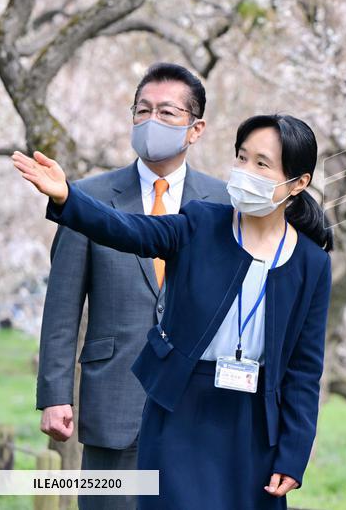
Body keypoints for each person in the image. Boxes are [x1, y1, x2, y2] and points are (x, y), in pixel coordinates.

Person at [12, 113, 333, 510]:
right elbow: (129, 230)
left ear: (298, 183)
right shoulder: (202, 223)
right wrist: (67, 198)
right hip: (183, 406)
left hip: (253, 421)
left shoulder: (310, 264)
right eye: (241, 157)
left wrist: (293, 454)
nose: (245, 171)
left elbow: (304, 370)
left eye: (261, 164)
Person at [35, 62, 229, 510]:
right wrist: (54, 395)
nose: (149, 122)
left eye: (166, 113)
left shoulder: (224, 203)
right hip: (113, 398)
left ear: (195, 129)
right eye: (141, 111)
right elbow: (61, 306)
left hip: (199, 406)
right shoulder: (84, 198)